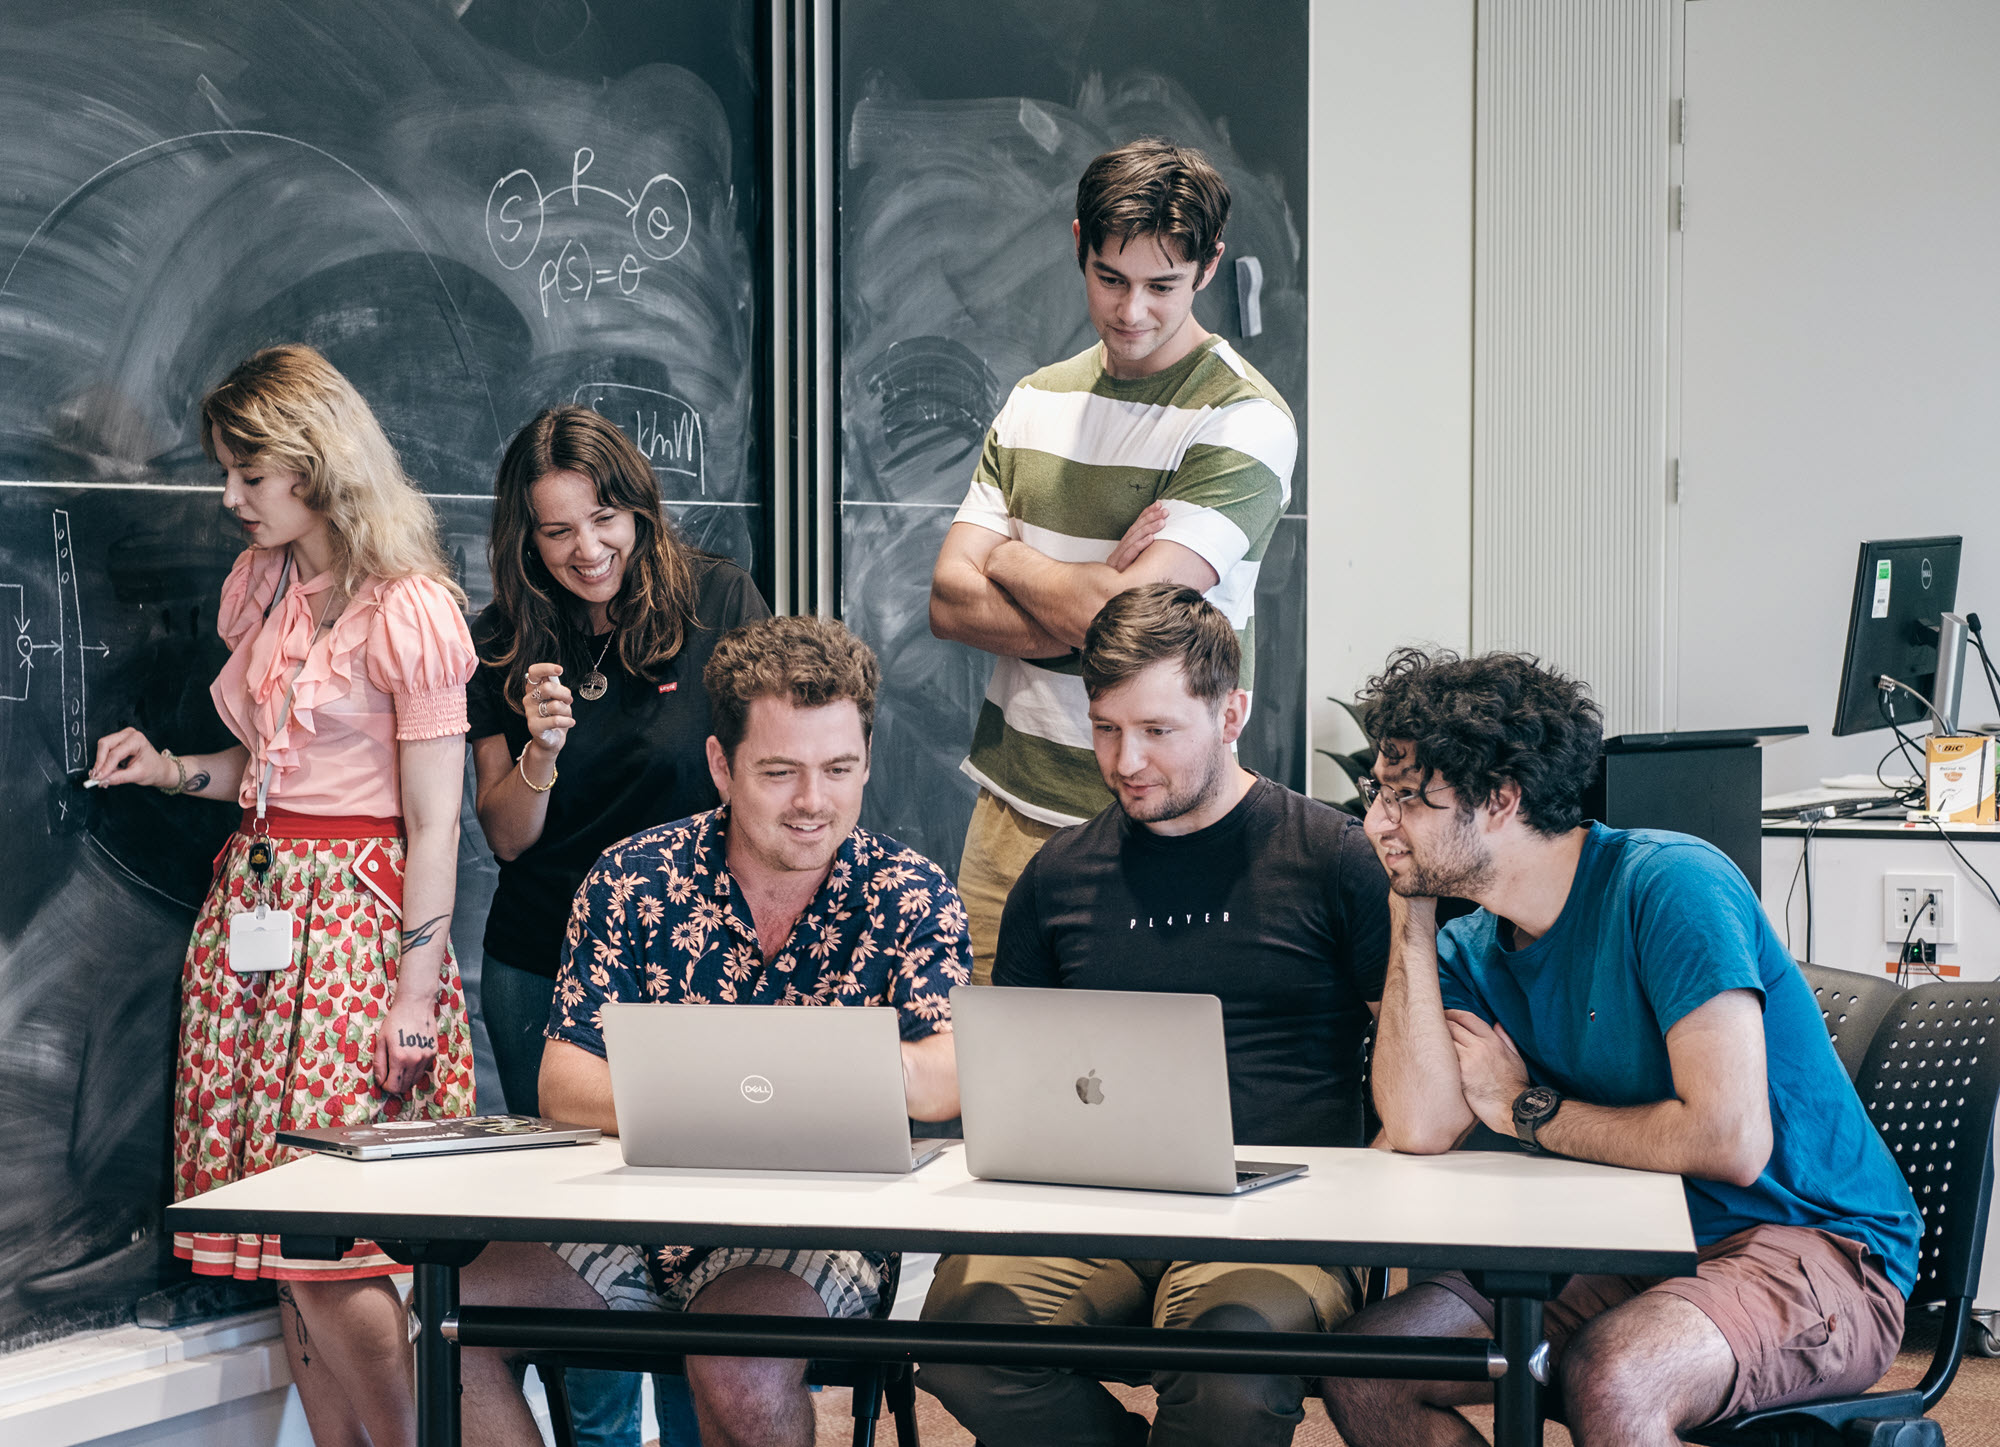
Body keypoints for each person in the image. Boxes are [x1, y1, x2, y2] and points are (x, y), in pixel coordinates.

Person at [1319, 649, 1923, 1447]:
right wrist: (1410, 908)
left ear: (1500, 800)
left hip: (1808, 1246)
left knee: (1615, 1373)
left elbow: (1729, 1140)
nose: (1375, 824)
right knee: (1372, 1365)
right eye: (1376, 796)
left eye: (1406, 799)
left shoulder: (1670, 884)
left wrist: (1527, 1109)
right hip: (1624, 1243)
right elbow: (1423, 1125)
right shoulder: (1466, 945)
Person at [89, 344, 478, 1447]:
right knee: (278, 1241)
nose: (228, 497)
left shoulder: (411, 610)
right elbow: (268, 772)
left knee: (332, 1237)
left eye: (246, 474)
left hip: (353, 936)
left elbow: (434, 820)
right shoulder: (268, 586)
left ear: (313, 464)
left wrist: (413, 992)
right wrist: (171, 769)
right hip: (257, 922)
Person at [459, 615, 968, 1447]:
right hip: (636, 1215)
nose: (814, 801)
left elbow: (948, 1073)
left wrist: (769, 1084)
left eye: (840, 769)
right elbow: (564, 1082)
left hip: (816, 1228)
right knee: (452, 1318)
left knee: (736, 1360)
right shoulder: (633, 878)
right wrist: (762, 1094)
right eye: (780, 772)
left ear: (867, 762)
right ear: (720, 767)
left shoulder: (907, 891)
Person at [919, 583, 1388, 1447]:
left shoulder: (1333, 857)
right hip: (1093, 1206)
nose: (1126, 760)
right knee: (961, 1334)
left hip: (1281, 1215)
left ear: (1232, 712)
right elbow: (1007, 1079)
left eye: (1157, 730)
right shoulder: (1059, 875)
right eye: (1105, 728)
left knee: (1230, 1356)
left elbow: (1409, 1059)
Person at [466, 403, 768, 1445]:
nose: (586, 549)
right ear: (526, 539)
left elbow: (764, 778)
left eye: (604, 518)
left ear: (637, 508)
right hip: (541, 969)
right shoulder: (502, 638)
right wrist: (537, 752)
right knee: (577, 1245)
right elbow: (505, 837)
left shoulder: (721, 596)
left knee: (701, 1247)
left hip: (694, 972)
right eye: (556, 531)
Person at [929, 136, 1296, 986]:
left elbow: (1123, 629)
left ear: (1208, 270)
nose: (1132, 311)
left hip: (1163, 820)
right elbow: (949, 598)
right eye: (1111, 279)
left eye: (1163, 286)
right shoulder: (1035, 400)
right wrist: (1093, 591)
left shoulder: (1242, 420)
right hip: (1007, 815)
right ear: (1078, 248)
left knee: (1145, 1093)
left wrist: (1011, 558)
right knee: (992, 1082)